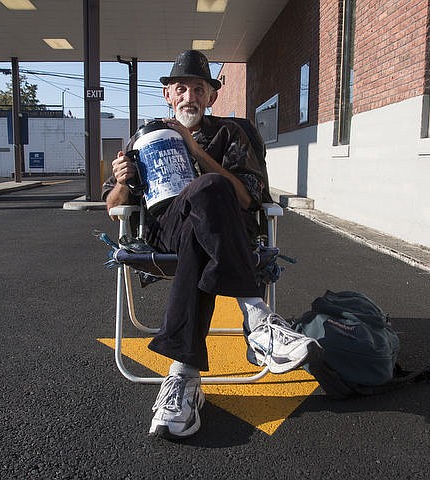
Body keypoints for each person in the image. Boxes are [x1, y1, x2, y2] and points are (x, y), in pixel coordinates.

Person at [102, 50, 321, 440]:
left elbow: (247, 198)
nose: (189, 96)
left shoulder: (231, 134)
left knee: (211, 191)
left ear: (212, 97)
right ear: (168, 95)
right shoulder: (143, 138)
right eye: (181, 88)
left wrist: (195, 150)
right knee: (199, 210)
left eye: (199, 89)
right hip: (165, 232)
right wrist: (121, 181)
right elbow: (113, 208)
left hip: (222, 230)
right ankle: (258, 320)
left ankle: (182, 377)